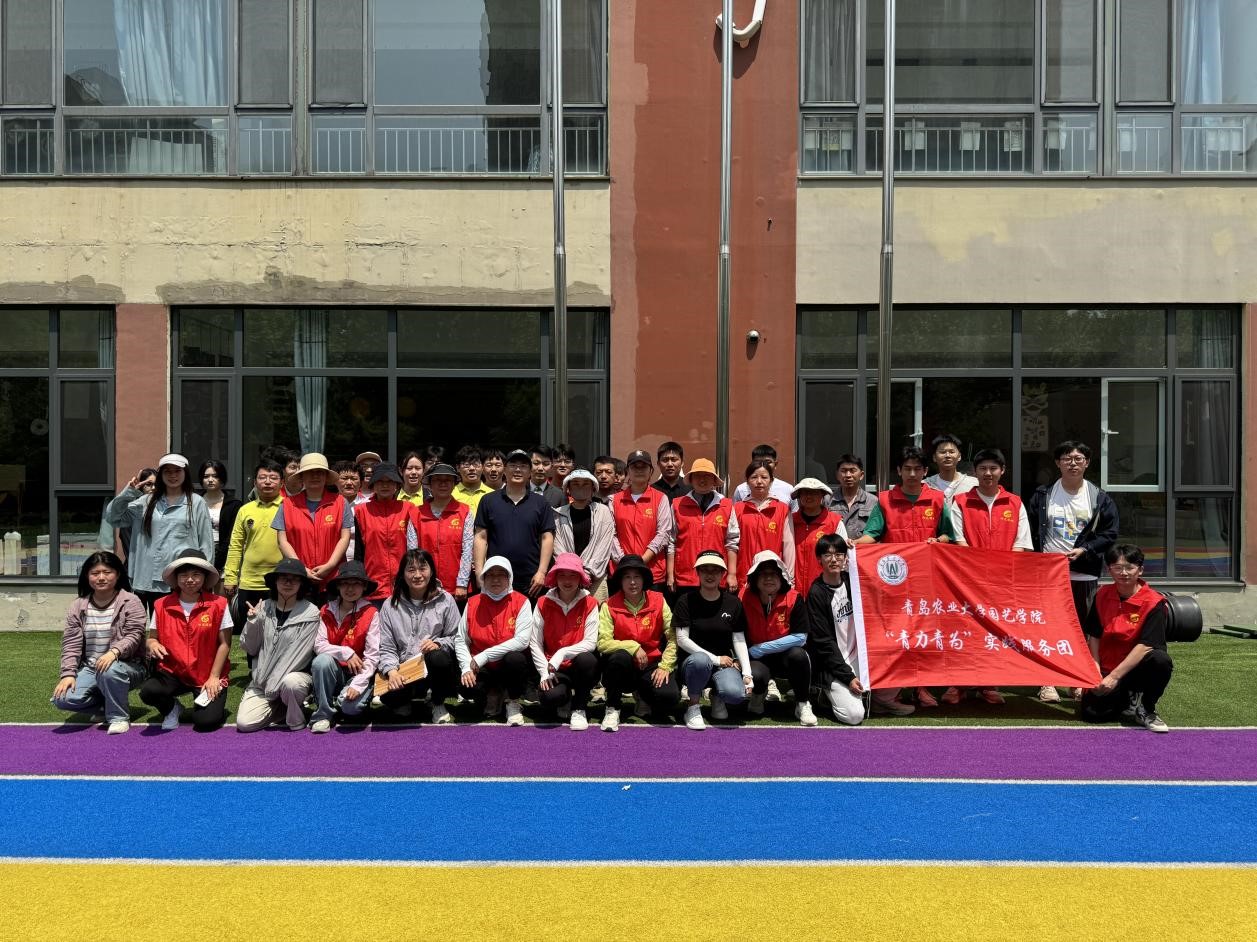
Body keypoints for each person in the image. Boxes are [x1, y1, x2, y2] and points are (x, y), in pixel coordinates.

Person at [1027, 441, 1119, 704]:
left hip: (1084, 574)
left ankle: (1076, 681)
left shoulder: (1099, 497)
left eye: (1079, 458)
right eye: (1067, 458)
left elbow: (1110, 533)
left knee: (1081, 631)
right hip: (1049, 574)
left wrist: (1086, 549)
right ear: (1058, 463)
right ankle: (1047, 682)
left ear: (1087, 463)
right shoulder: (1043, 495)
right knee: (1047, 627)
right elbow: (1030, 530)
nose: (1073, 463)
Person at [857, 446, 949, 708]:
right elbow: (872, 534)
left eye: (917, 469)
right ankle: (894, 689)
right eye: (907, 468)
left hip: (926, 581)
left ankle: (922, 687)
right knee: (896, 635)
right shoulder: (885, 500)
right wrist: (854, 543)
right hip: (893, 582)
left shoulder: (938, 499)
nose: (912, 474)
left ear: (925, 471)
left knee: (924, 634)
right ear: (898, 471)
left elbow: (949, 534)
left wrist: (938, 540)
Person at [944, 447, 1031, 706]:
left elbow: (1021, 543)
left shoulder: (1015, 503)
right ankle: (957, 684)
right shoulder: (961, 501)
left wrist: (1001, 572)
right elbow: (958, 541)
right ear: (975, 472)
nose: (988, 473)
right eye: (982, 468)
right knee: (964, 631)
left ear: (1002, 471)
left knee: (994, 634)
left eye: (993, 468)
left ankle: (988, 684)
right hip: (967, 581)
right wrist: (977, 573)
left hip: (1002, 582)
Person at [805, 534, 914, 723]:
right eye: (828, 555)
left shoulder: (853, 581)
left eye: (839, 554)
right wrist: (847, 677)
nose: (834, 559)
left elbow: (880, 577)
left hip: (861, 657)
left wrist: (857, 548)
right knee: (854, 716)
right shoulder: (816, 593)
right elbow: (824, 644)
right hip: (835, 664)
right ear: (819, 560)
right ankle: (824, 695)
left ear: (845, 558)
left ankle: (883, 700)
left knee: (903, 647)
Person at [1080, 545, 1173, 734]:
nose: (1123, 573)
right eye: (1117, 567)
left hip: (1133, 668)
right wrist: (1095, 671)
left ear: (1140, 570)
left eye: (1129, 567)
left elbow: (1146, 645)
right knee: (1092, 715)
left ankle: (1146, 707)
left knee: (1161, 660)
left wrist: (1115, 677)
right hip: (1106, 666)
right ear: (1109, 570)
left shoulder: (1154, 602)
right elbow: (1094, 635)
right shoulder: (1102, 594)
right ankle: (1127, 699)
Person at [51, 551, 147, 734]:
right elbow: (71, 643)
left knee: (110, 669)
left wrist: (114, 652)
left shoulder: (131, 601)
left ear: (117, 574)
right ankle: (106, 705)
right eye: (95, 573)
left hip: (128, 666)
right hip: (91, 667)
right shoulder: (78, 606)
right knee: (62, 699)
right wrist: (68, 674)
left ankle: (119, 717)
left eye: (107, 572)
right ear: (87, 576)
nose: (101, 577)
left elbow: (134, 635)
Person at [138, 549, 231, 731]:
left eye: (196, 574)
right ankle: (172, 708)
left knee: (206, 722)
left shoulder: (219, 604)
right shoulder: (161, 604)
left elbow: (225, 644)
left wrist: (214, 677)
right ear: (176, 578)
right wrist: (153, 644)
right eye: (184, 575)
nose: (189, 580)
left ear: (204, 577)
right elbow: (151, 639)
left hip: (207, 674)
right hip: (173, 672)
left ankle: (209, 702)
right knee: (148, 692)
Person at [104, 453, 213, 609]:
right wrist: (129, 492)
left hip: (181, 579)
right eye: (167, 471)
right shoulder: (145, 501)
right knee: (143, 623)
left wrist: (204, 577)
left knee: (178, 623)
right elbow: (113, 517)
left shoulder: (196, 502)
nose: (172, 475)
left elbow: (206, 543)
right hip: (146, 578)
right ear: (161, 474)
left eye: (177, 471)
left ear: (185, 473)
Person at [376, 548, 461, 723]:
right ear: (402, 574)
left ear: (431, 571)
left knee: (439, 658)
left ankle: (437, 702)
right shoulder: (389, 605)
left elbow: (457, 637)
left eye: (423, 569)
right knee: (389, 697)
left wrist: (439, 643)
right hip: (403, 670)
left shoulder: (446, 600)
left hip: (432, 667)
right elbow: (386, 646)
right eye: (411, 570)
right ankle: (405, 701)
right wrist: (392, 671)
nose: (417, 575)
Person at [237, 557, 321, 733]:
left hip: (293, 678)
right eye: (283, 578)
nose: (288, 583)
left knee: (291, 684)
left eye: (294, 579)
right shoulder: (262, 607)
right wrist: (253, 622)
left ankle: (296, 718)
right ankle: (284, 708)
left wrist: (273, 687)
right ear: (275, 582)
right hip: (262, 683)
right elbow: (250, 648)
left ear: (301, 584)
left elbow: (298, 656)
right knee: (245, 724)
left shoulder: (311, 612)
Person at [597, 554, 679, 731]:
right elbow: (603, 643)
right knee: (618, 657)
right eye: (627, 577)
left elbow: (673, 636)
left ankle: (643, 695)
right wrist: (633, 647)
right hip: (624, 667)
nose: (632, 582)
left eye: (637, 577)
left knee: (670, 698)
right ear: (620, 581)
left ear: (644, 579)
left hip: (651, 663)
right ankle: (612, 707)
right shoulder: (609, 605)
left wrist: (665, 666)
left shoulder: (659, 600)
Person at [672, 550, 751, 731]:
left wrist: (748, 673)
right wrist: (715, 659)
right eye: (705, 569)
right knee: (701, 660)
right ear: (697, 572)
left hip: (723, 664)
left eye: (715, 570)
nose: (710, 574)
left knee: (736, 694)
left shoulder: (733, 603)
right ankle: (693, 706)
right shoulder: (685, 601)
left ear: (723, 573)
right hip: (693, 664)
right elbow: (682, 640)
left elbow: (739, 639)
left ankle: (717, 695)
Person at [740, 550, 817, 726]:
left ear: (781, 577)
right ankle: (758, 695)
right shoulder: (743, 598)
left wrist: (760, 649)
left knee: (799, 656)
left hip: (784, 656)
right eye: (763, 573)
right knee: (756, 674)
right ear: (754, 578)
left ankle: (803, 703)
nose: (769, 578)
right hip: (757, 660)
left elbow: (800, 637)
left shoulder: (794, 597)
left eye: (774, 573)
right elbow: (738, 634)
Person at [455, 556, 534, 725]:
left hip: (507, 666)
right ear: (483, 578)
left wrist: (485, 655)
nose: (495, 579)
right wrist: (466, 668)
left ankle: (512, 701)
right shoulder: (473, 603)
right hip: (480, 667)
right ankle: (491, 694)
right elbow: (461, 639)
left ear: (509, 577)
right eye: (490, 575)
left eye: (501, 574)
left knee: (515, 659)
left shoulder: (521, 602)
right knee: (466, 687)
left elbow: (522, 641)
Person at [309, 560, 381, 733]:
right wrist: (346, 652)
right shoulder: (326, 610)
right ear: (338, 586)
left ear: (364, 586)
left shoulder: (371, 613)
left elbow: (372, 656)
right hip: (333, 671)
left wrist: (357, 684)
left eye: (356, 583)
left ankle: (353, 697)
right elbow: (319, 645)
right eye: (345, 583)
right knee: (321, 661)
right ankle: (323, 714)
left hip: (359, 673)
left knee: (350, 708)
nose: (350, 588)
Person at [531, 552, 600, 730]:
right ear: (555, 578)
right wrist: (544, 671)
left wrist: (562, 653)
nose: (567, 581)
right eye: (562, 575)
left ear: (580, 578)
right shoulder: (542, 602)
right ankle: (565, 698)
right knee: (550, 698)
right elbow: (535, 643)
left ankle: (579, 708)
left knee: (588, 659)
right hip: (552, 667)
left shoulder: (590, 603)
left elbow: (590, 643)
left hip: (578, 666)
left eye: (573, 575)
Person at [473, 449, 555, 597]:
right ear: (504, 470)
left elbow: (547, 537)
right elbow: (481, 537)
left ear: (530, 472)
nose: (518, 470)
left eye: (523, 466)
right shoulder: (488, 501)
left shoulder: (541, 502)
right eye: (513, 465)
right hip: (496, 578)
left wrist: (542, 572)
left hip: (531, 580)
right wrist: (479, 571)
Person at [273, 452, 352, 597]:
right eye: (309, 472)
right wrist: (301, 568)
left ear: (326, 476)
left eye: (319, 472)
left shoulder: (341, 502)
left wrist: (330, 565)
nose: (315, 476)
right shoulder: (287, 505)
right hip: (298, 578)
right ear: (302, 477)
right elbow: (282, 541)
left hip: (334, 578)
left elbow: (344, 538)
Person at [221, 458, 286, 628]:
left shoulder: (289, 508)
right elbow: (235, 545)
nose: (267, 482)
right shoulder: (245, 510)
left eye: (273, 478)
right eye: (262, 477)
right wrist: (230, 577)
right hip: (250, 581)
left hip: (280, 579)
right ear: (255, 482)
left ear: (282, 483)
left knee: (277, 628)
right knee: (250, 628)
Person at [667, 458, 739, 594]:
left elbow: (732, 542)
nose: (702, 479)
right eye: (698, 476)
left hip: (717, 575)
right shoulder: (677, 505)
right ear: (691, 479)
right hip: (686, 576)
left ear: (714, 480)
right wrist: (671, 574)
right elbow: (671, 541)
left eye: (707, 475)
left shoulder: (727, 505)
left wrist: (731, 574)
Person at [352, 462, 419, 607]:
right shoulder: (361, 511)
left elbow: (415, 548)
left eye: (390, 481)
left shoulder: (408, 509)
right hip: (373, 585)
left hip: (404, 584)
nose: (385, 485)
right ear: (373, 484)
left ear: (397, 485)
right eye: (380, 481)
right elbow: (359, 552)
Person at [611, 449, 674, 588]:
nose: (639, 470)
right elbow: (611, 535)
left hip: (652, 572)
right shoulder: (614, 500)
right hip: (622, 572)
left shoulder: (660, 498)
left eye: (644, 467)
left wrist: (642, 561)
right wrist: (624, 562)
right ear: (628, 471)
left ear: (651, 471)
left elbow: (663, 534)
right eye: (635, 467)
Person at [415, 462, 474, 602]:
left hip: (456, 587)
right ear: (429, 484)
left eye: (448, 480)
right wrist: (419, 582)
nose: (443, 484)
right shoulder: (416, 513)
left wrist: (462, 583)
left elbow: (467, 550)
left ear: (454, 484)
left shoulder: (464, 512)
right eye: (437, 480)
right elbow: (413, 553)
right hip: (424, 586)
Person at [553, 468, 614, 601]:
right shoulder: (558, 514)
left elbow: (604, 546)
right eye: (576, 484)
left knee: (596, 612)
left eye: (586, 484)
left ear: (593, 488)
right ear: (568, 488)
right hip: (567, 577)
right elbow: (558, 546)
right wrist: (573, 571)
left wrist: (587, 573)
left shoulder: (603, 512)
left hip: (595, 578)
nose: (581, 487)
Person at [732, 460, 795, 589]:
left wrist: (790, 578)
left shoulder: (782, 509)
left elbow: (788, 546)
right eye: (754, 477)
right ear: (747, 481)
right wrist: (731, 574)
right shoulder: (737, 509)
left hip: (772, 576)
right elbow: (731, 544)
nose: (759, 481)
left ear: (771, 481)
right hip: (743, 575)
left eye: (764, 477)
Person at [790, 478, 848, 596]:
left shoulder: (834, 522)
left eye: (814, 493)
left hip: (825, 589)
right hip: (794, 588)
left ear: (822, 495)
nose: (809, 496)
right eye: (805, 492)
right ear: (799, 496)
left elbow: (843, 557)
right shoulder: (790, 520)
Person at [99, 466, 156, 562]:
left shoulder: (163, 509)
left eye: (157, 484)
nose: (154, 488)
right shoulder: (133, 510)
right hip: (135, 567)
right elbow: (112, 516)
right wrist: (131, 491)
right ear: (140, 485)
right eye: (149, 484)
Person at [198, 460, 241, 575]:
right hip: (199, 554)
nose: (210, 480)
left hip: (224, 556)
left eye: (215, 476)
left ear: (222, 478)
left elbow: (231, 536)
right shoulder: (195, 502)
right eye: (206, 476)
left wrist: (218, 562)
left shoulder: (233, 504)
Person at [924, 433, 978, 509]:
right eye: (942, 452)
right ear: (934, 457)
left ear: (959, 456)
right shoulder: (925, 485)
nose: (947, 455)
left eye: (952, 452)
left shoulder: (974, 484)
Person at [831, 454, 876, 540]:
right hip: (835, 548)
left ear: (861, 475)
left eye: (852, 470)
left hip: (863, 548)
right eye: (843, 471)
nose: (848, 475)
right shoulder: (827, 501)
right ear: (837, 475)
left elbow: (876, 533)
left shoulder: (872, 501)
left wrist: (856, 542)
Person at [453, 445, 494, 514]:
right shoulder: (451, 494)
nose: (471, 468)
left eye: (476, 464)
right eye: (466, 465)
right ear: (458, 468)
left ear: (483, 467)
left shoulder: (492, 494)